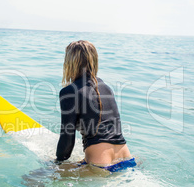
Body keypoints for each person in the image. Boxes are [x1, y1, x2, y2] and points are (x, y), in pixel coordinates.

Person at [55, 40, 136, 173]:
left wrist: (57, 164)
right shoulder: (106, 88)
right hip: (126, 159)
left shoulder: (69, 91)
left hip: (100, 166)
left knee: (32, 179)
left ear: (69, 63)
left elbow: (67, 140)